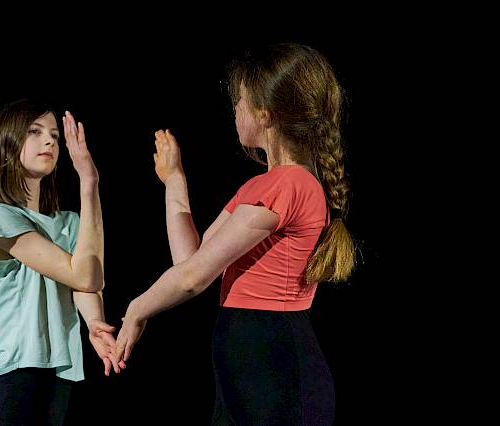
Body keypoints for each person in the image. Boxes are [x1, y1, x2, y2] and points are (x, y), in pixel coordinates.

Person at [115, 42, 355, 425]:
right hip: (249, 361)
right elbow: (190, 263)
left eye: (241, 100)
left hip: (273, 360)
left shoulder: (290, 184)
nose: (236, 110)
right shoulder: (264, 186)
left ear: (265, 113)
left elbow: (193, 278)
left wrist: (136, 311)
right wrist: (174, 180)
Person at [0, 99, 125, 425]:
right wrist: (89, 182)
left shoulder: (67, 223)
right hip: (13, 383)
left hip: (59, 386)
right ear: (5, 141)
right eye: (35, 131)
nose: (50, 141)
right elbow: (83, 276)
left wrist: (94, 322)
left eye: (55, 134)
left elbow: (88, 281)